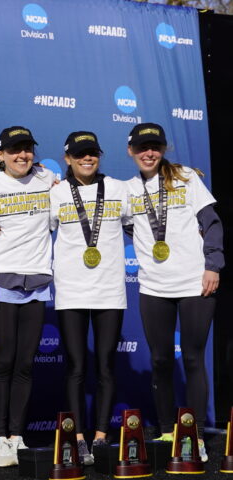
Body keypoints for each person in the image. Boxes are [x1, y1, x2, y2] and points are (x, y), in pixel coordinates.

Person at [124, 122, 223, 462]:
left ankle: (192, 436)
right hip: (153, 286)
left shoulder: (185, 177)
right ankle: (168, 431)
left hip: (195, 282)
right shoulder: (127, 190)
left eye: (154, 146)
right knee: (161, 360)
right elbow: (118, 222)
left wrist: (213, 265)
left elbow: (211, 222)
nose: (148, 153)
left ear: (163, 149)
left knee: (194, 359)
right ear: (131, 151)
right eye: (141, 147)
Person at [50, 132, 129, 465]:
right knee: (77, 367)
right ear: (68, 158)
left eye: (93, 153)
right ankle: (78, 437)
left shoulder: (118, 189)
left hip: (110, 290)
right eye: (80, 154)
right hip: (71, 290)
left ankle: (100, 437)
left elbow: (138, 222)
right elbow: (34, 228)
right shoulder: (55, 193)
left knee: (106, 366)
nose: (87, 159)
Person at [0, 126, 54, 467]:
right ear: (0, 155)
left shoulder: (46, 179)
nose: (22, 155)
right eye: (14, 149)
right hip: (1, 282)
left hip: (38, 283)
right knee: (2, 364)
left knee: (25, 365)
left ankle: (16, 436)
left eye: (27, 148)